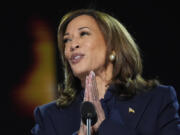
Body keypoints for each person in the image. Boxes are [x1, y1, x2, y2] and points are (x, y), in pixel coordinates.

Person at [31, 9, 180, 135]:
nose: (72, 45)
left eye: (83, 34)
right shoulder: (49, 116)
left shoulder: (157, 100)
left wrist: (104, 125)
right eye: (66, 40)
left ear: (112, 47)